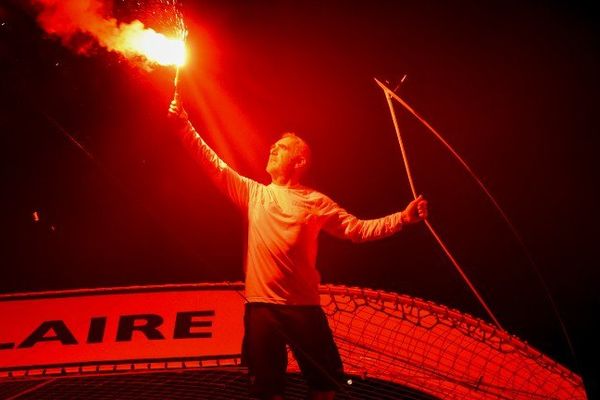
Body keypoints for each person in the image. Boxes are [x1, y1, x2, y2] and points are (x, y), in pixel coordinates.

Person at [168, 98, 428, 400]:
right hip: (261, 309)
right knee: (267, 391)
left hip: (304, 310)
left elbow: (357, 230)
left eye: (283, 147)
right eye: (274, 146)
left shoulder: (315, 202)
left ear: (300, 162)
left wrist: (402, 218)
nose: (273, 149)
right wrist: (183, 125)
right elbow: (211, 163)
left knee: (325, 388)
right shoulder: (254, 194)